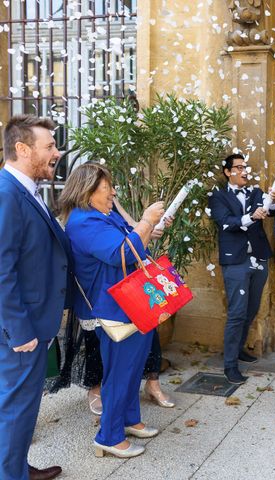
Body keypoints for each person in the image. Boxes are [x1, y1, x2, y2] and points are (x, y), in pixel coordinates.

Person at [59, 163, 165, 459]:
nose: (114, 193)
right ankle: (109, 436)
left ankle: (129, 420)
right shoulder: (83, 222)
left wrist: (146, 228)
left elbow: (135, 241)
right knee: (120, 372)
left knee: (132, 367)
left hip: (132, 302)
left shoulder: (103, 215)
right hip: (114, 308)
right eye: (108, 187)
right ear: (88, 190)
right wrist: (145, 220)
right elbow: (123, 253)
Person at [0, 115, 72, 480]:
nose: (56, 153)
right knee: (15, 409)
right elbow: (1, 269)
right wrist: (20, 330)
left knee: (24, 408)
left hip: (33, 322)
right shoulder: (6, 193)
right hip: (21, 330)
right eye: (49, 146)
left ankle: (17, 468)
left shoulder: (25, 190)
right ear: (22, 149)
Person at [209, 153, 275, 384]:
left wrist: (273, 200)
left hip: (258, 258)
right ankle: (230, 365)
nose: (244, 171)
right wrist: (251, 216)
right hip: (235, 261)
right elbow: (225, 223)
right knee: (237, 313)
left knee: (251, 310)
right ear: (227, 172)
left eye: (245, 167)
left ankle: (239, 349)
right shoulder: (218, 196)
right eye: (238, 167)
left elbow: (270, 211)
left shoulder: (255, 192)